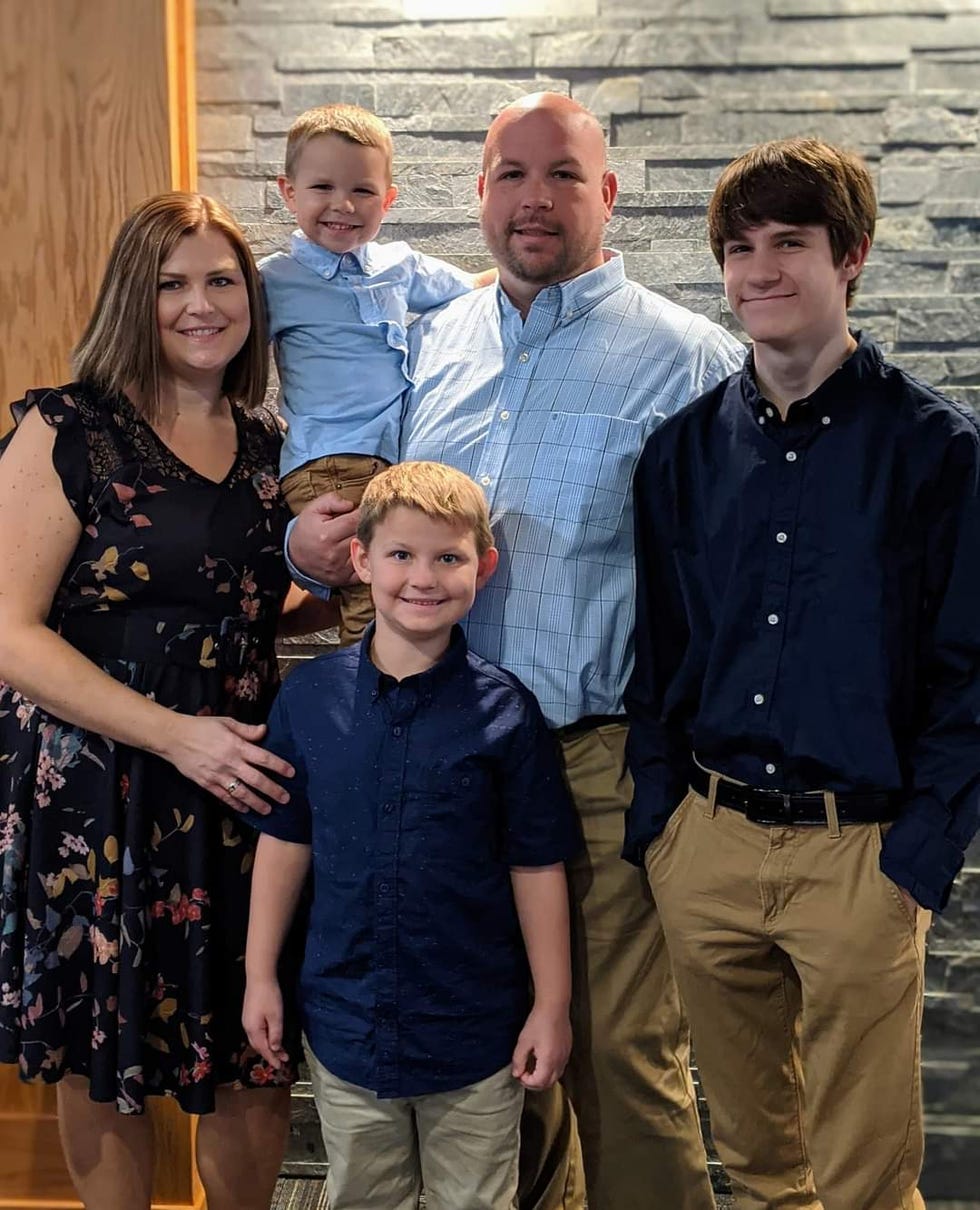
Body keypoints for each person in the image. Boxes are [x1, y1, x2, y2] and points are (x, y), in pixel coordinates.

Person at [287, 92, 747, 1210]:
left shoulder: (690, 361)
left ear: (608, 195)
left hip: (589, 766)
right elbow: (387, 529)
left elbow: (738, 588)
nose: (532, 199)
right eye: (509, 175)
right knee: (494, 1071)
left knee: (620, 1061)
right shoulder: (434, 340)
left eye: (561, 175)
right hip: (437, 760)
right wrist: (306, 552)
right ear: (477, 191)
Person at [624, 137, 980, 1209]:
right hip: (708, 843)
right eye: (738, 248)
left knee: (866, 1180)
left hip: (859, 856)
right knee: (759, 1166)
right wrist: (661, 827)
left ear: (851, 257)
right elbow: (661, 652)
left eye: (789, 243)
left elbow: (970, 672)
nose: (759, 271)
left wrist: (916, 855)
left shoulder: (937, 451)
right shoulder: (679, 453)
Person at [0, 193, 329, 1210]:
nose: (200, 304)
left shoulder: (272, 443)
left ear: (251, 300)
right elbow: (9, 630)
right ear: (129, 302)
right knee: (110, 1056)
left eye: (221, 280)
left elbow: (236, 604)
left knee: (249, 1049)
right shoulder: (70, 426)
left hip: (236, 780)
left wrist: (330, 576)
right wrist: (172, 735)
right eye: (170, 283)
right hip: (100, 787)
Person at [242, 460, 581, 1210]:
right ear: (361, 561)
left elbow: (535, 864)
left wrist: (550, 1005)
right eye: (400, 554)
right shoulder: (309, 700)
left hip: (473, 1036)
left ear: (483, 567)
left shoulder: (508, 714)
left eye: (448, 557)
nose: (422, 578)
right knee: (365, 1196)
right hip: (347, 1027)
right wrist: (260, 973)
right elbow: (285, 841)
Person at [263, 102, 495, 646]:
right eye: (322, 187)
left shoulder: (400, 267)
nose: (343, 205)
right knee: (375, 596)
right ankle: (368, 699)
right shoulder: (272, 281)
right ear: (288, 192)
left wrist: (564, 273)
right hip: (328, 463)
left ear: (388, 199)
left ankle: (389, 692)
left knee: (407, 582)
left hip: (389, 461)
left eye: (363, 191)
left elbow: (477, 289)